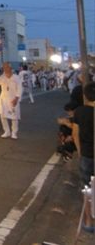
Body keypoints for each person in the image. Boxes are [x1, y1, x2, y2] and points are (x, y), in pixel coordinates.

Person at [72, 82, 94, 233]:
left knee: (87, 188)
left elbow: (75, 134)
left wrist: (79, 151)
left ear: (85, 96)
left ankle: (89, 221)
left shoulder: (79, 111)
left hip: (87, 154)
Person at [0, 63, 22, 139]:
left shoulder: (16, 78)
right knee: (3, 116)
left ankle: (14, 132)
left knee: (14, 117)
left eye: (6, 67)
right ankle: (7, 131)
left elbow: (20, 89)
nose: (5, 69)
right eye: (3, 68)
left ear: (10, 68)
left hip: (13, 99)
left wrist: (16, 98)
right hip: (3, 99)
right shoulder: (2, 77)